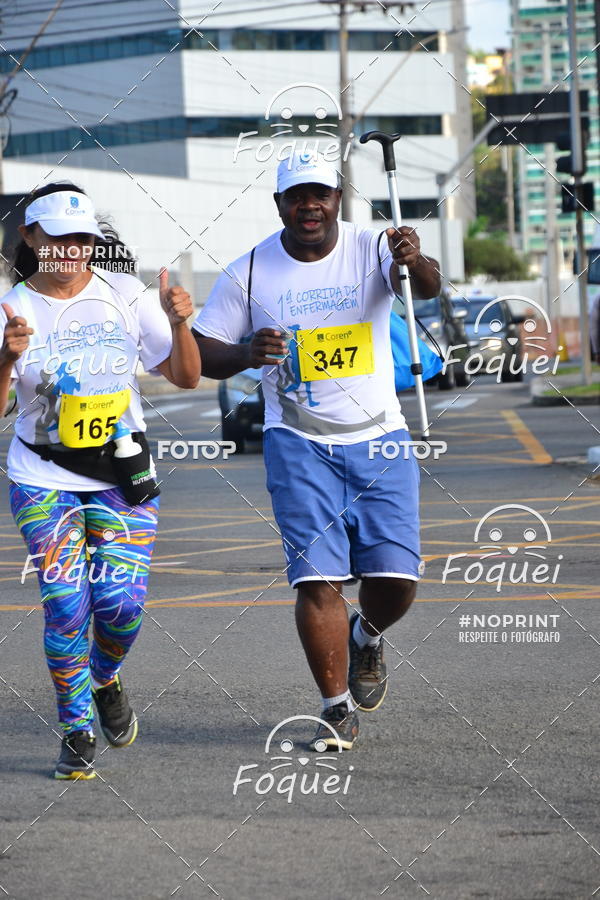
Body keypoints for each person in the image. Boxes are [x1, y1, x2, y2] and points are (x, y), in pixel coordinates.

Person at [193, 151, 440, 750]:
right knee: (316, 580)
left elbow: (426, 288)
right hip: (296, 441)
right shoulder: (249, 271)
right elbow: (201, 352)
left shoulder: (373, 247)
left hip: (380, 436)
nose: (311, 205)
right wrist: (248, 350)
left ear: (338, 198)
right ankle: (334, 709)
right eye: (297, 196)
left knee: (397, 578)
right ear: (280, 204)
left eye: (321, 194)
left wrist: (416, 258)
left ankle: (368, 635)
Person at [0, 182, 200, 779]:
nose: (71, 251)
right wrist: (8, 358)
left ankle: (105, 677)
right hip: (42, 474)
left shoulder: (126, 295)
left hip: (120, 473)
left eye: (82, 239)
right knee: (65, 604)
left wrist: (179, 323)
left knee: (121, 607)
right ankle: (75, 727)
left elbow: (186, 377)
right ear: (31, 239)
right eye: (58, 240)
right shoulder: (12, 308)